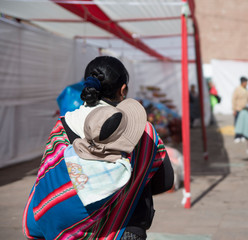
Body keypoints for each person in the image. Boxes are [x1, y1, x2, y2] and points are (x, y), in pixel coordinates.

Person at [22, 56, 174, 240]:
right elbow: (166, 181)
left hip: (61, 232)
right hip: (124, 229)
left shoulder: (62, 126)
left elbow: (46, 175)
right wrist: (126, 190)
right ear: (123, 90)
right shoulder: (143, 131)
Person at [232, 76, 248, 143]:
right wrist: (234, 109)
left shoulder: (246, 89)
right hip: (238, 109)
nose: (247, 83)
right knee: (237, 123)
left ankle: (242, 136)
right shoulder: (237, 89)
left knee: (244, 123)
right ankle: (237, 136)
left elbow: (247, 99)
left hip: (245, 109)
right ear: (243, 82)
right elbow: (234, 99)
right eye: (246, 82)